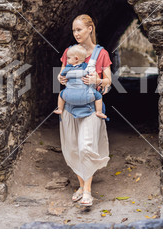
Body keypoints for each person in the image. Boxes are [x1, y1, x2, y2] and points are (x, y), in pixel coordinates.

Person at [57, 14, 112, 207]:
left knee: (85, 147)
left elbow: (108, 81)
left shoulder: (101, 53)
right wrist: (61, 79)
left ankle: (88, 191)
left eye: (79, 29)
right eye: (73, 30)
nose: (76, 33)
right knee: (73, 149)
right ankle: (81, 186)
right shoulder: (69, 51)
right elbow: (62, 75)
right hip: (70, 109)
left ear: (90, 29)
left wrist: (96, 80)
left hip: (90, 109)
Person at [54, 44, 107, 119]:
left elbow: (62, 75)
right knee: (98, 96)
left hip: (69, 96)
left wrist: (62, 76)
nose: (67, 60)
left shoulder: (68, 68)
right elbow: (93, 75)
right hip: (86, 96)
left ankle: (59, 109)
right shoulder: (87, 67)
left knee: (60, 94)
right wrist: (97, 80)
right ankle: (99, 112)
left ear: (76, 58)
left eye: (68, 58)